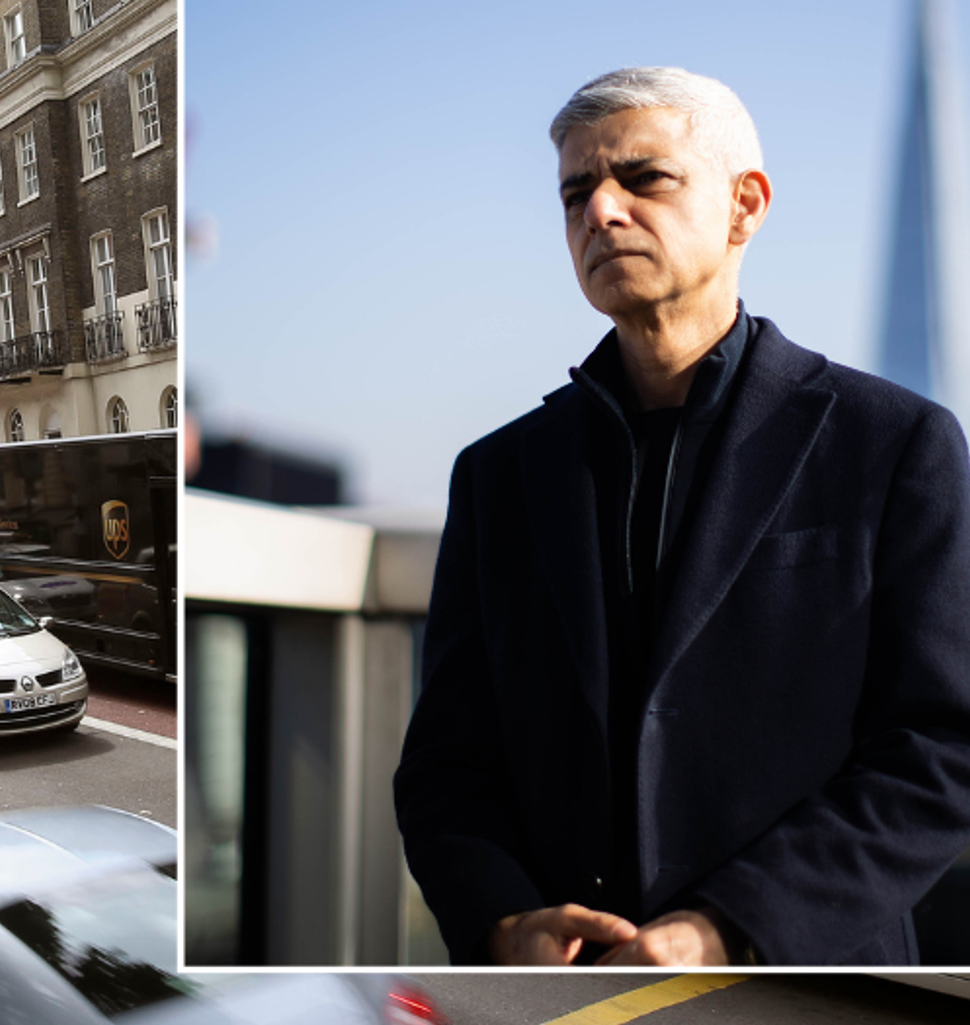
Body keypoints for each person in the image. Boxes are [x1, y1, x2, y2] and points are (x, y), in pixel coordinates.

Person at [393, 67, 970, 968]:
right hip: (567, 999)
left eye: (643, 178)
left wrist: (724, 928)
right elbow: (447, 762)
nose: (602, 212)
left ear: (745, 206)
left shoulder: (895, 444)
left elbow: (943, 747)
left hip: (812, 987)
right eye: (576, 193)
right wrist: (503, 919)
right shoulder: (498, 474)